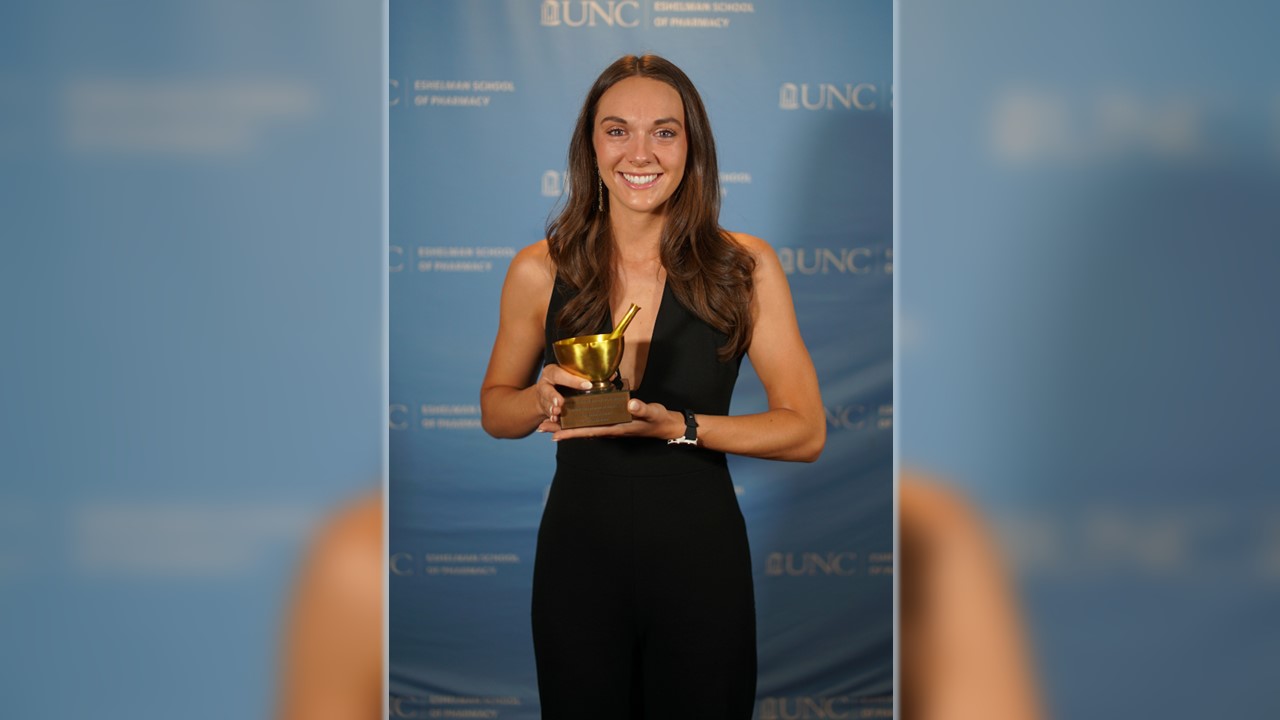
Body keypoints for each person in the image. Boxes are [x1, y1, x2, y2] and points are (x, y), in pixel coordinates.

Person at [480, 54, 824, 719]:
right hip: (578, 562)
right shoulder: (538, 269)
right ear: (590, 146)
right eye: (618, 130)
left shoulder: (744, 267)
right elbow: (496, 410)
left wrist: (680, 427)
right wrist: (540, 396)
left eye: (664, 132)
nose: (640, 153)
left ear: (692, 148)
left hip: (701, 560)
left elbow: (806, 431)